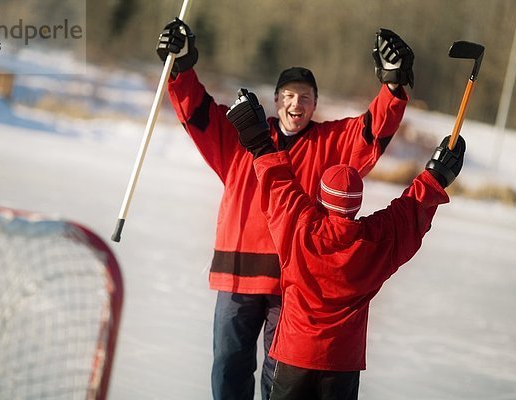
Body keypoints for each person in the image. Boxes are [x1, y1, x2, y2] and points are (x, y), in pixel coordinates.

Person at [156, 19, 414, 400]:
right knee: (229, 365)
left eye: (306, 97)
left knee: (279, 378)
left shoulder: (330, 143)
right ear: (276, 100)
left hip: (293, 286)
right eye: (290, 96)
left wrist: (392, 85)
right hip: (238, 274)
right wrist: (179, 67)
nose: (297, 103)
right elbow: (198, 113)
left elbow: (371, 131)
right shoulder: (242, 134)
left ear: (315, 104)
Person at [226, 89, 466, 400]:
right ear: (356, 204)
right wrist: (434, 178)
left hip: (294, 353)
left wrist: (259, 143)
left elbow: (279, 186)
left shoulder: (301, 226)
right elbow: (408, 215)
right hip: (343, 362)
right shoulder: (374, 240)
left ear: (321, 196)